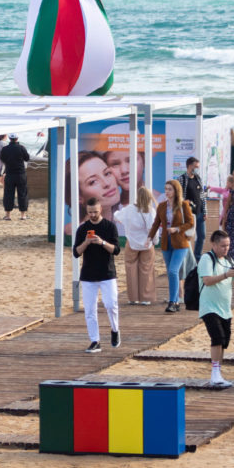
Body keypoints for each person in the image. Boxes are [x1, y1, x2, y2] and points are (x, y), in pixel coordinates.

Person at [73, 196, 121, 353]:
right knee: (89, 310)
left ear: (100, 209)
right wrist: (86, 242)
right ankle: (95, 340)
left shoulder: (109, 226)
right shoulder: (82, 229)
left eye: (95, 212)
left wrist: (102, 242)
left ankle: (115, 329)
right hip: (88, 274)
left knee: (111, 304)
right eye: (90, 212)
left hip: (107, 272)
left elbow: (116, 250)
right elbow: (76, 252)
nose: (92, 215)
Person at [197, 230, 234, 387]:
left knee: (224, 341)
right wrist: (226, 275)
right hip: (209, 307)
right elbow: (207, 280)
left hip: (225, 308)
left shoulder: (228, 259)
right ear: (214, 245)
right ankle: (214, 374)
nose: (226, 248)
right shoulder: (207, 258)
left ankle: (218, 373)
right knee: (217, 338)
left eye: (228, 245)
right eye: (223, 246)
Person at [149, 179, 195, 313]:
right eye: (166, 189)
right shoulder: (162, 206)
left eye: (170, 189)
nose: (167, 192)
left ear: (176, 191)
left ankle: (173, 301)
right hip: (166, 242)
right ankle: (175, 301)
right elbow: (156, 223)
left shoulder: (183, 205)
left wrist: (177, 229)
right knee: (170, 273)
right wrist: (149, 238)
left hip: (181, 242)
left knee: (173, 271)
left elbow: (190, 222)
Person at [113, 185, 157, 306]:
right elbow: (152, 229)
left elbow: (116, 216)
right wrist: (155, 241)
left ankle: (133, 298)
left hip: (131, 242)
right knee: (146, 269)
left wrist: (125, 222)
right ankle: (145, 297)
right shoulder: (150, 211)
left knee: (130, 269)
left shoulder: (129, 209)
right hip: (147, 244)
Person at [65, 151, 121, 235]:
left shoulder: (129, 219)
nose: (106, 183)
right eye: (93, 182)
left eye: (107, 173)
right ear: (78, 197)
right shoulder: (76, 233)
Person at [177, 156, 207, 259]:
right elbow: (178, 196)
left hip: (200, 212)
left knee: (202, 236)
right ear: (189, 166)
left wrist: (205, 211)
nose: (197, 169)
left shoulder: (198, 178)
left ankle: (197, 257)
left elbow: (202, 195)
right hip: (188, 213)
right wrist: (185, 201)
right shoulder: (182, 179)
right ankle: (186, 258)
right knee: (187, 236)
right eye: (196, 166)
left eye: (198, 167)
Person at [0, 132, 30, 221]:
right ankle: (23, 215)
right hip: (20, 174)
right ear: (17, 138)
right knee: (22, 194)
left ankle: (8, 215)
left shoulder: (5, 149)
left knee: (8, 194)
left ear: (9, 138)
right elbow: (27, 158)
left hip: (9, 174)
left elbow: (2, 159)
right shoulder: (21, 148)